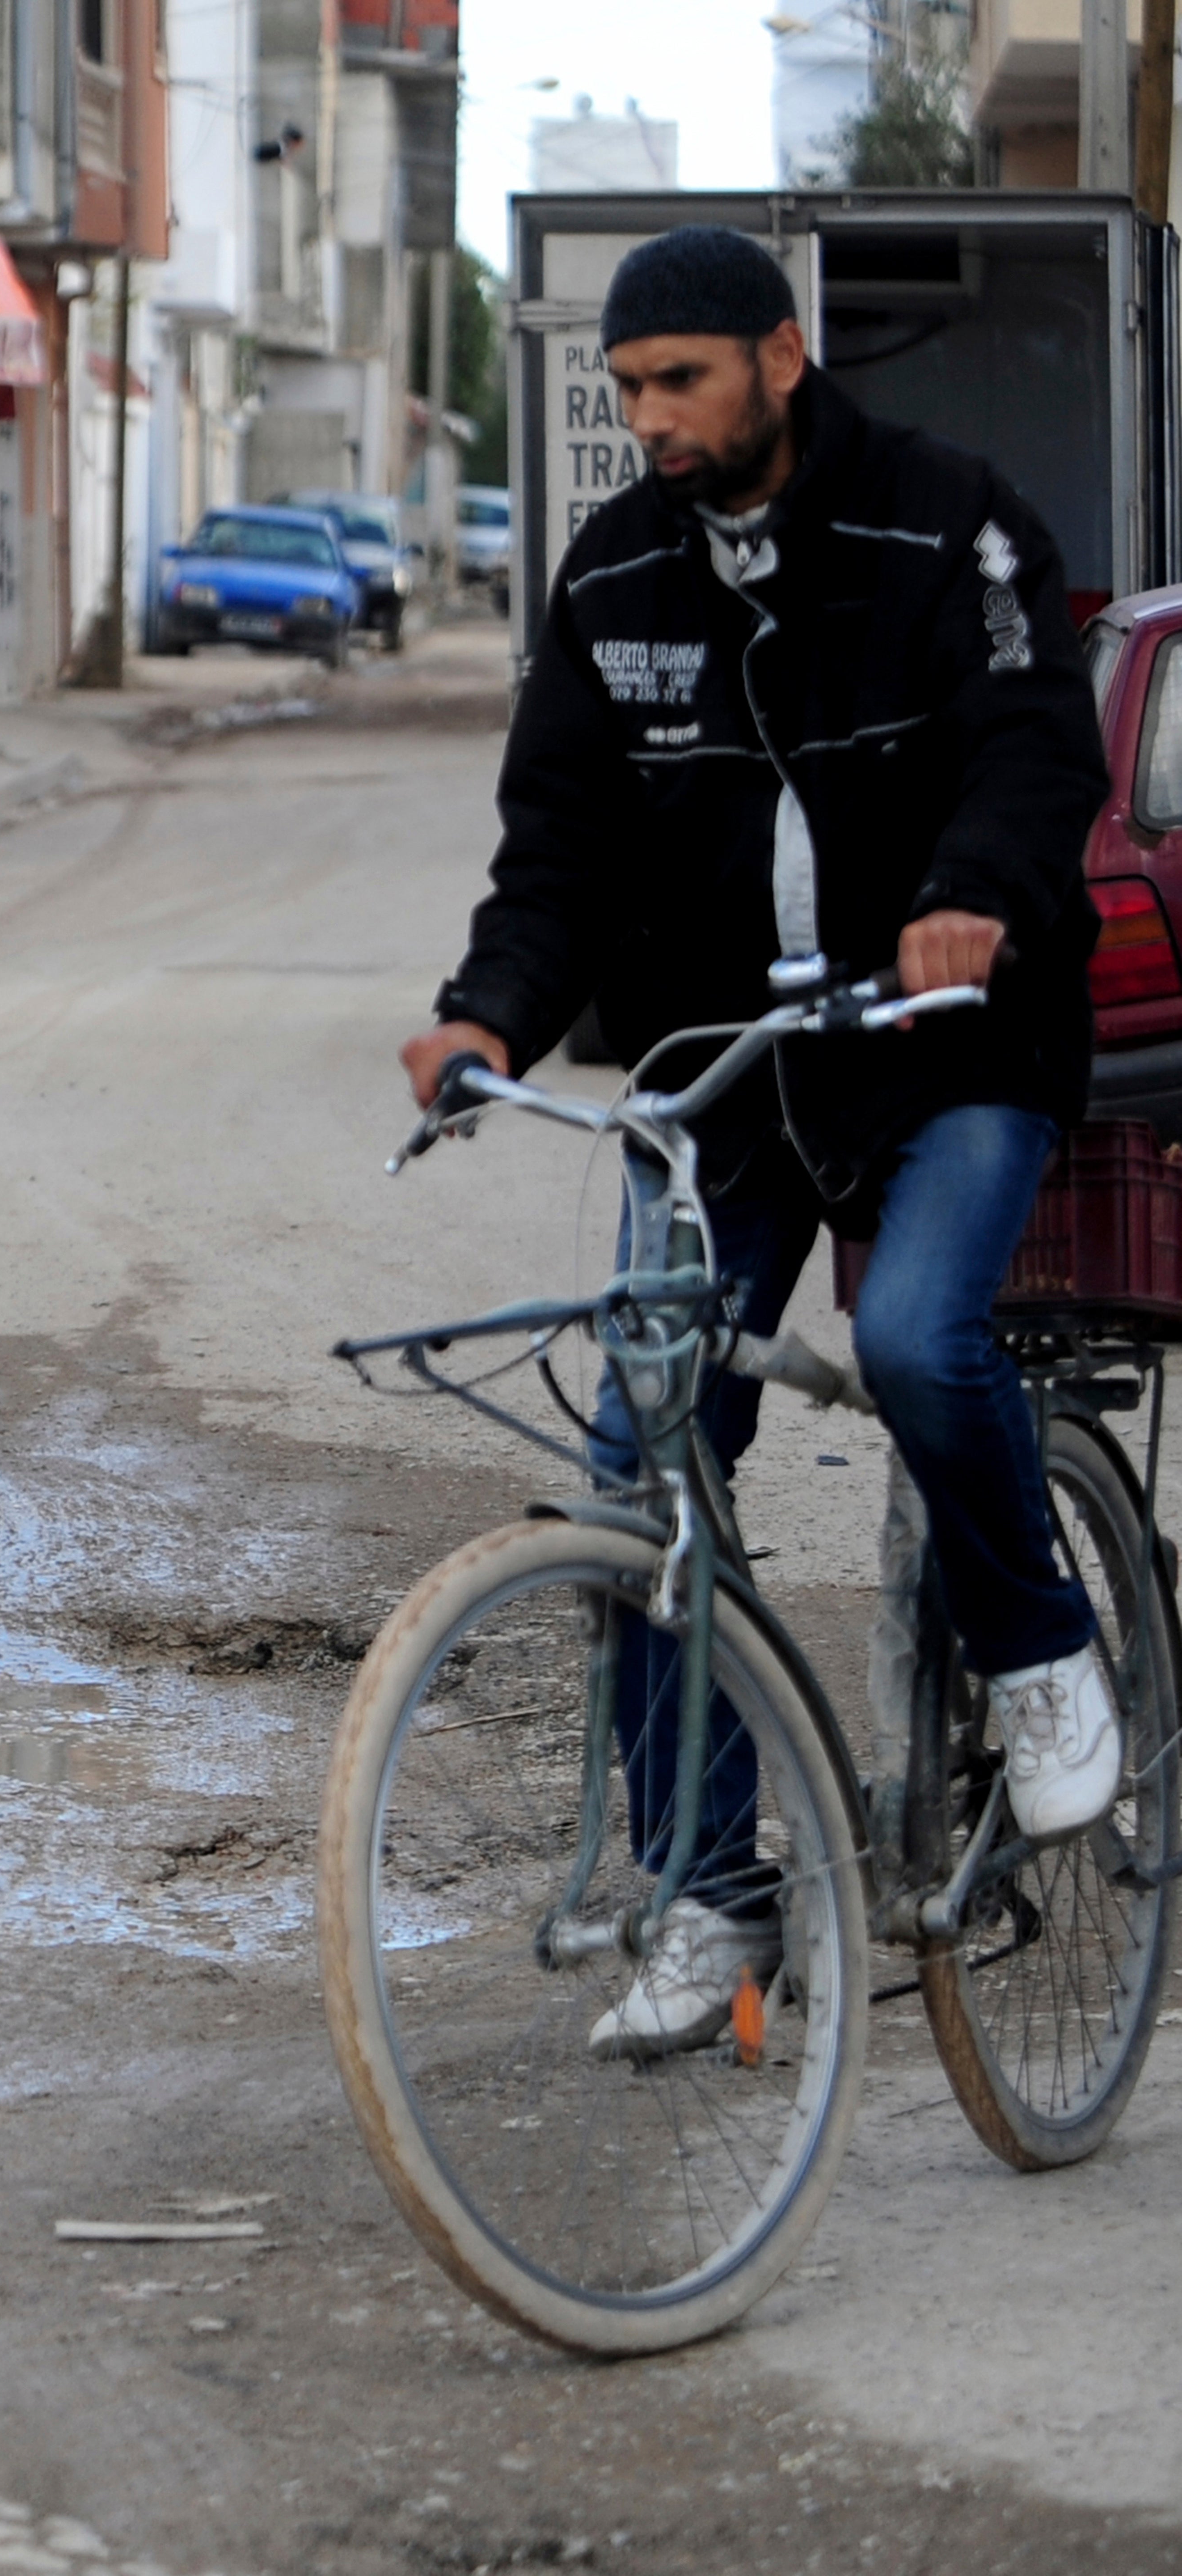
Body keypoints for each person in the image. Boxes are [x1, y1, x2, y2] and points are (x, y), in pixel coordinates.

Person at [397, 225, 1118, 2058]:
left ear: (779, 363)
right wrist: (489, 1006)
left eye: (682, 382)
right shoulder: (618, 567)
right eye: (629, 390)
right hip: (736, 1086)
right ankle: (712, 1894)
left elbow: (1040, 749)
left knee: (916, 1339)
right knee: (641, 1463)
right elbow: (557, 836)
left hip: (947, 1047)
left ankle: (1044, 1664)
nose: (649, 418)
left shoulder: (955, 527)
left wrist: (970, 898)